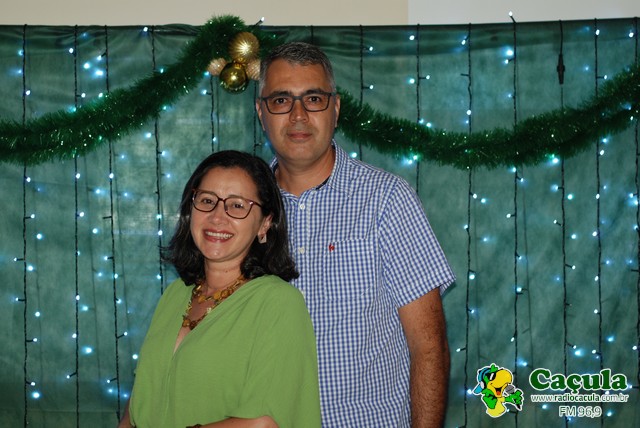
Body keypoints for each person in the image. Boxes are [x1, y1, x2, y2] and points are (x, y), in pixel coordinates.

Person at [255, 42, 456, 427]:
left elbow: (429, 347)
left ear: (335, 108)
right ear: (261, 112)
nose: (298, 115)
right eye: (281, 100)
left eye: (313, 98)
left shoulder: (386, 199)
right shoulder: (243, 208)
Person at [118, 150, 321, 428]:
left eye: (237, 206)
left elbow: (263, 423)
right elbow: (141, 395)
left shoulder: (279, 303)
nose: (217, 217)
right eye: (207, 200)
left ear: (265, 223)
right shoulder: (176, 294)